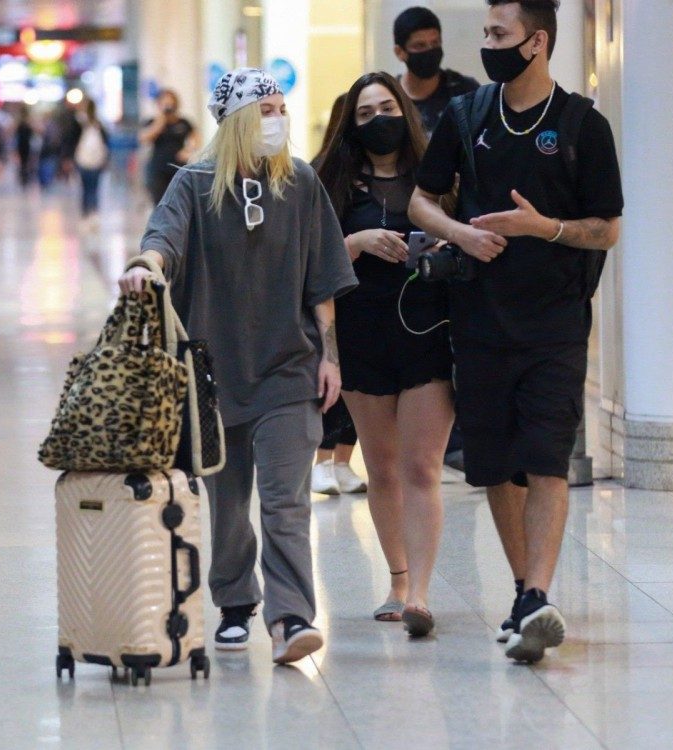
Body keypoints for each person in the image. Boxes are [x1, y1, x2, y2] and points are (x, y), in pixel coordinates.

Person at [408, 0, 623, 662]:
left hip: (556, 322)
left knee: (546, 457)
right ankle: (524, 596)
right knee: (496, 464)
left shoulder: (582, 125)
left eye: (498, 34)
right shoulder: (466, 116)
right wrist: (461, 234)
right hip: (478, 320)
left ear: (536, 42)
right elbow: (420, 199)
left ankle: (537, 592)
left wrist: (545, 228)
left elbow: (606, 227)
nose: (487, 45)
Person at [120, 68, 357, 664]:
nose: (278, 120)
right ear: (237, 122)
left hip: (288, 370)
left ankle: (290, 618)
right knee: (227, 506)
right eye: (267, 109)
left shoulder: (300, 183)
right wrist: (145, 266)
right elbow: (162, 240)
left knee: (286, 502)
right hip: (211, 373)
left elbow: (322, 278)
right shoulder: (195, 187)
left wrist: (329, 358)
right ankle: (234, 602)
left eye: (282, 107)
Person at [316, 72, 455, 635]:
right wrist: (356, 243)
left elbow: (464, 236)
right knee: (381, 467)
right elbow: (312, 263)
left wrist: (444, 245)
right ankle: (397, 579)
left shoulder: (436, 178)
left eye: (387, 108)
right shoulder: (334, 186)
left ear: (406, 112)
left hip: (427, 333)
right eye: (366, 114)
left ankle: (419, 594)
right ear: (350, 124)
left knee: (422, 466)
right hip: (361, 336)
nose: (380, 121)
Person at [311, 92, 369, 497]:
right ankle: (321, 459)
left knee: (360, 384)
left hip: (371, 291)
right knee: (332, 377)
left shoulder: (381, 173)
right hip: (334, 293)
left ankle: (344, 460)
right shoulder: (319, 175)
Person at [393, 7, 480, 136]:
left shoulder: (465, 92)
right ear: (400, 52)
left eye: (435, 43)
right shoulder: (391, 97)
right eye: (419, 45)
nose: (430, 51)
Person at [139, 89, 199, 204]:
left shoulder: (183, 122)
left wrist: (188, 150)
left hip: (178, 168)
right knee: (160, 202)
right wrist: (161, 120)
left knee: (179, 201)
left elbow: (195, 137)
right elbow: (144, 138)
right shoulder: (153, 122)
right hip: (158, 169)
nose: (168, 107)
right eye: (165, 104)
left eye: (171, 104)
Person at [72, 99, 110, 219]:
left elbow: (105, 142)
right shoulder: (79, 123)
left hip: (93, 160)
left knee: (90, 188)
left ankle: (90, 213)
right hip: (84, 159)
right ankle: (89, 213)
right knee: (89, 188)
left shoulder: (97, 125)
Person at [15, 106, 38, 191]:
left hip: (26, 147)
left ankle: (25, 178)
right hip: (23, 147)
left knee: (25, 164)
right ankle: (24, 179)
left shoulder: (26, 125)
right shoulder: (21, 125)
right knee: (23, 164)